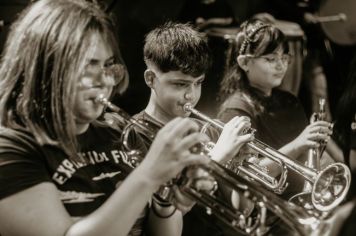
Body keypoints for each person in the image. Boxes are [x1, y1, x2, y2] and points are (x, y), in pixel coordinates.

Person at [0, 1, 212, 235]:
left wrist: (164, 200)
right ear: (46, 68)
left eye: (109, 66)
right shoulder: (11, 149)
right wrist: (149, 174)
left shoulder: (119, 133)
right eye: (90, 66)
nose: (108, 81)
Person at [124, 22, 254, 236]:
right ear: (150, 79)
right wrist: (216, 159)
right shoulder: (134, 136)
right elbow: (155, 227)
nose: (191, 96)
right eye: (180, 84)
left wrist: (240, 167)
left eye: (198, 83)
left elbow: (241, 209)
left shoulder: (207, 131)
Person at [217, 18, 334, 199]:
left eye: (284, 57)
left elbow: (309, 159)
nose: (281, 65)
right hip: (267, 209)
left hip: (298, 200)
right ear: (244, 63)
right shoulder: (236, 111)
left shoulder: (289, 101)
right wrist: (299, 143)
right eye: (271, 59)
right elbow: (246, 177)